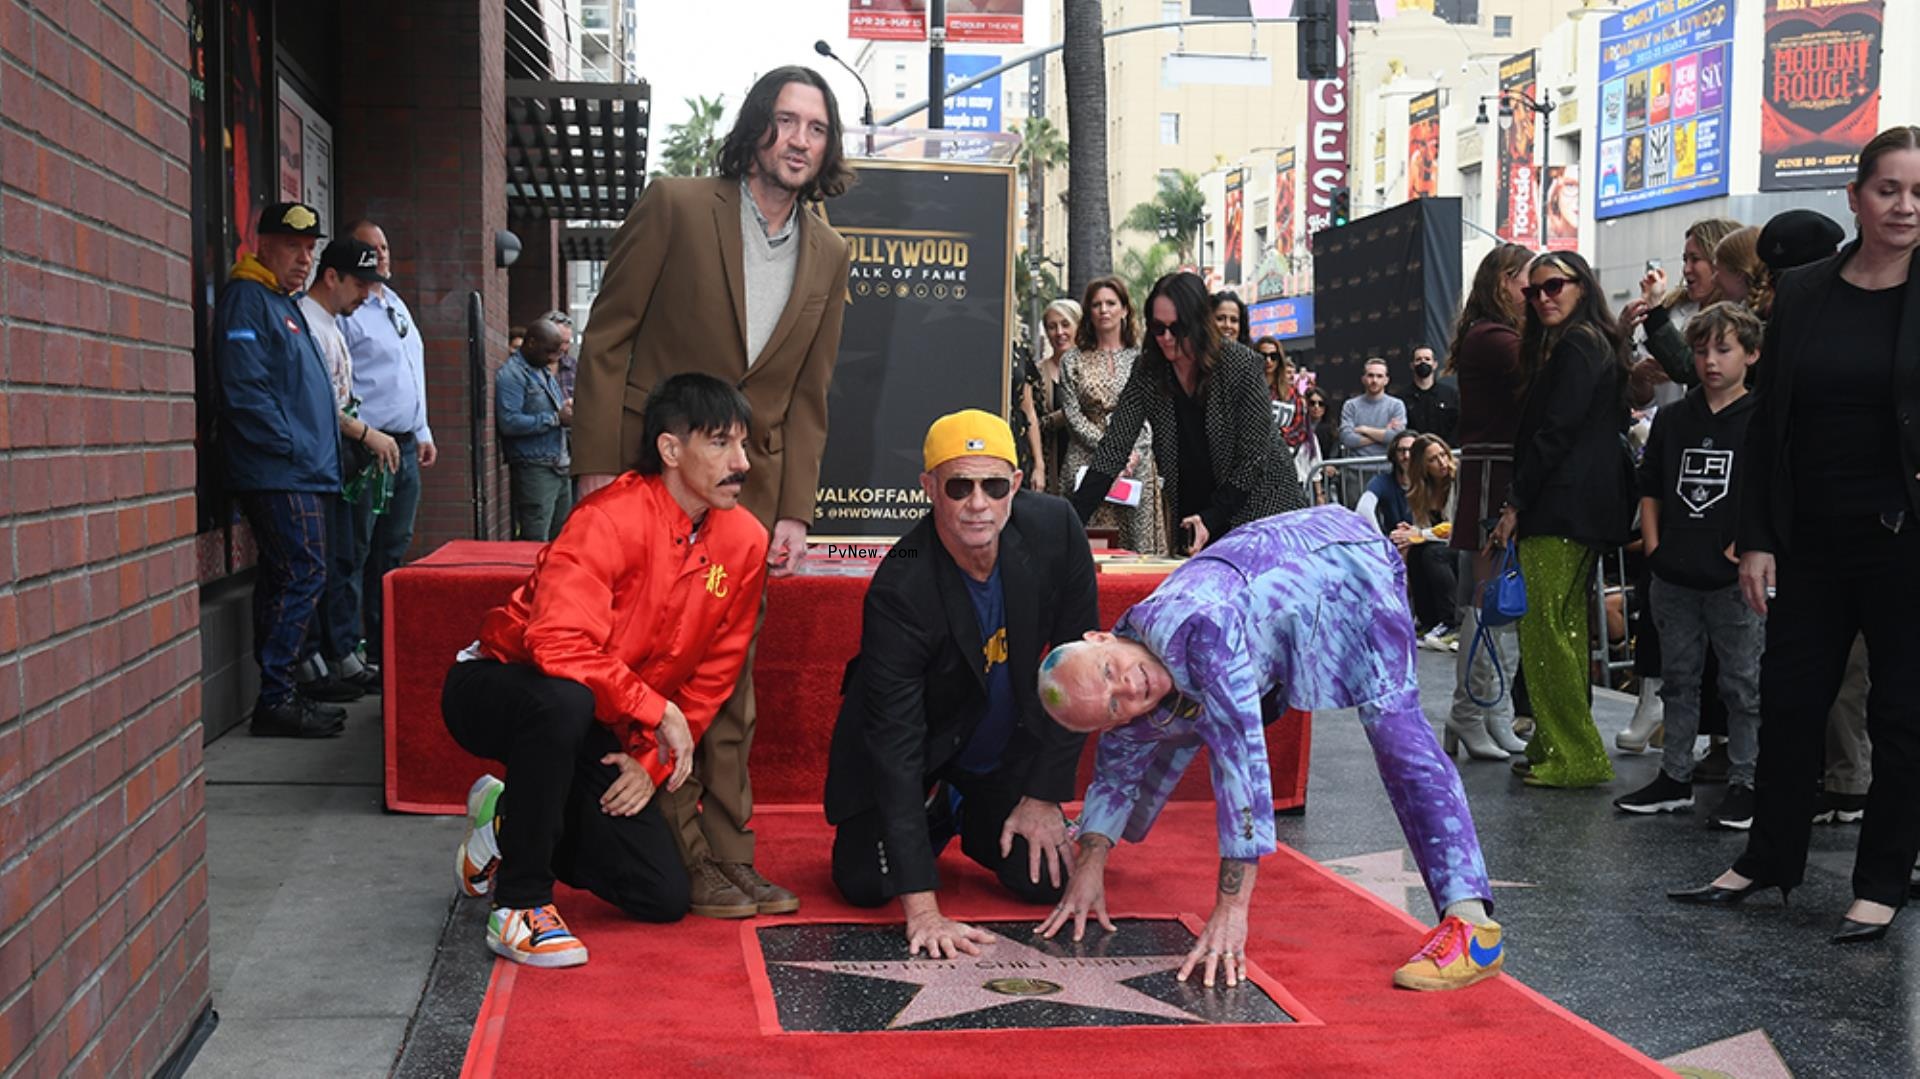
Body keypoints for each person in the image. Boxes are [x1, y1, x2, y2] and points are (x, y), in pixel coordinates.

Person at [571, 66, 855, 917]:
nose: (800, 140)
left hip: (745, 499)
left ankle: (730, 855)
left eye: (816, 127)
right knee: (631, 668)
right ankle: (670, 852)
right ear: (756, 129)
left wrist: (795, 509)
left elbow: (809, 393)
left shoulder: (831, 253)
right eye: (786, 122)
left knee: (728, 684)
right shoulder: (676, 204)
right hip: (642, 480)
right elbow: (607, 336)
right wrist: (595, 467)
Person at [1035, 507, 1505, 992]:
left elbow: (1242, 769)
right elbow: (1117, 764)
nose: (1129, 688)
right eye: (1112, 706)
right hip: (1277, 584)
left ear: (1101, 636)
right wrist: (1089, 866)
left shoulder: (1203, 631)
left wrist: (1232, 910)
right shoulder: (1133, 673)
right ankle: (1117, 829)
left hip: (1346, 565)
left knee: (1395, 732)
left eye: (1111, 671)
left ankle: (1471, 925)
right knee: (1156, 726)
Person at [1671, 126, 1920, 943]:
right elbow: (1770, 422)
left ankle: (1882, 878)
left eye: (1919, 193)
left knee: (1902, 714)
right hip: (1809, 536)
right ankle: (1769, 859)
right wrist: (1759, 535)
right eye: (1889, 189)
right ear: (1855, 196)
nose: (1906, 207)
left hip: (1904, 539)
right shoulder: (1807, 289)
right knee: (1787, 700)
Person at [442, 374, 770, 965]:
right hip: (498, 684)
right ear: (671, 451)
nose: (740, 462)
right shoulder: (609, 517)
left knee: (660, 894)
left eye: (743, 445)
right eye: (721, 443)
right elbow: (556, 644)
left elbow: (712, 677)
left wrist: (649, 760)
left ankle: (505, 815)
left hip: (599, 715)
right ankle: (519, 905)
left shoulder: (745, 541)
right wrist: (653, 712)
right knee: (562, 702)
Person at [824, 411, 1099, 957]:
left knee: (1041, 880)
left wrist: (1044, 793)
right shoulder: (900, 585)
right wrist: (923, 910)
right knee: (865, 885)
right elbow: (896, 745)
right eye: (959, 486)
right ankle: (936, 812)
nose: (977, 503)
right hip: (918, 746)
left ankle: (967, 814)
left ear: (1015, 486)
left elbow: (1082, 671)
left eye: (993, 485)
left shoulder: (1056, 531)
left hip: (998, 749)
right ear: (929, 488)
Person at [1614, 303, 1764, 828]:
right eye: (1701, 351)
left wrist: (1746, 546)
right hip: (1674, 572)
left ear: (1752, 354)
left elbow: (1772, 491)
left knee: (1743, 684)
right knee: (1677, 681)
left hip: (1735, 579)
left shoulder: (1762, 417)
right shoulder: (1675, 418)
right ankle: (1674, 775)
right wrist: (1654, 548)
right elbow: (1651, 483)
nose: (1710, 362)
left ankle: (1747, 782)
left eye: (1724, 350)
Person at [1490, 251, 1634, 790]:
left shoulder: (1578, 343)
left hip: (1562, 505)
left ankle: (1574, 754)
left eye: (1555, 286)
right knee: (1563, 629)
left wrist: (1514, 503)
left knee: (1549, 632)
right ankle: (1557, 744)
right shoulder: (1589, 342)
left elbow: (1556, 432)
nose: (1544, 297)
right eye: (1534, 291)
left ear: (1582, 287)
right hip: (1576, 505)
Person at [212, 202, 348, 738]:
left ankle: (281, 693)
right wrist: (292, 447)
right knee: (305, 572)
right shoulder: (248, 298)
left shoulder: (279, 302)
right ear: (262, 243)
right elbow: (244, 392)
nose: (304, 259)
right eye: (293, 246)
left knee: (285, 576)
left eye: (311, 249)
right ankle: (278, 696)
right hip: (279, 471)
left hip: (300, 469)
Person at [1068, 272, 1309, 557]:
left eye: (1177, 328)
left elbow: (1254, 458)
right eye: (1158, 328)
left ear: (1198, 324)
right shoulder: (1149, 370)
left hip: (1261, 505)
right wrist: (1070, 521)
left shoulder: (1240, 364)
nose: (1167, 338)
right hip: (1194, 506)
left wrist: (1213, 515)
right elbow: (1114, 447)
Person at [297, 238, 400, 703]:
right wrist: (367, 434)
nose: (366, 294)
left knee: (343, 558)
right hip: (321, 456)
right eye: (359, 283)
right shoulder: (306, 322)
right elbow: (320, 404)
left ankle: (340, 654)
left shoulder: (334, 323)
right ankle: (321, 661)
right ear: (332, 276)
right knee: (327, 563)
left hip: (340, 458)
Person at [1446, 243, 1533, 760]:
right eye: (1529, 280)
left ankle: (1488, 712)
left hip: (1502, 471)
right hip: (1492, 475)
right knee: (1489, 601)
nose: (1537, 291)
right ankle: (1470, 713)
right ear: (1505, 280)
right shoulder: (1492, 338)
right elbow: (1547, 369)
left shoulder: (1491, 335)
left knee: (1502, 605)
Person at [340, 219, 438, 676]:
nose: (381, 254)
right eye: (371, 248)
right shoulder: (349, 310)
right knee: (357, 550)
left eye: (384, 246)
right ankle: (349, 651)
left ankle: (382, 650)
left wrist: (423, 430)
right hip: (366, 446)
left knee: (392, 552)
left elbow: (410, 370)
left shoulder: (394, 304)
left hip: (404, 444)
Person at [1058, 277, 1167, 555]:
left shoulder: (1142, 359)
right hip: (1085, 458)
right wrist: (1110, 450)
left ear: (1125, 309)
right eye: (1096, 305)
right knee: (1087, 540)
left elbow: (1153, 415)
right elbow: (1072, 416)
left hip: (1136, 459)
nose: (1103, 310)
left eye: (1110, 303)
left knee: (1136, 547)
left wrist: (1132, 453)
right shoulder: (1073, 359)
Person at [496, 318, 574, 542]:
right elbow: (509, 422)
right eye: (549, 351)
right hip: (535, 469)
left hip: (558, 466)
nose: (553, 358)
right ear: (530, 343)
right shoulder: (512, 375)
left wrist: (565, 410)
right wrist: (555, 418)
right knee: (535, 541)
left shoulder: (542, 370)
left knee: (561, 540)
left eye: (557, 352)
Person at [1396, 434, 1461, 654]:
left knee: (1433, 553)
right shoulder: (1420, 492)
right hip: (1441, 546)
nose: (1442, 462)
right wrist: (1410, 537)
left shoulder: (1457, 480)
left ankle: (1453, 622)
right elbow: (1420, 532)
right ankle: (1428, 620)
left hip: (1464, 546)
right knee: (1417, 552)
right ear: (1422, 467)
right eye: (1433, 459)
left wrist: (1420, 533)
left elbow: (1455, 526)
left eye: (1443, 454)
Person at [1025, 298, 1078, 494]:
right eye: (1052, 326)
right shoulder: (1036, 373)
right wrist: (1066, 415)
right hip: (1051, 467)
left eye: (1065, 324)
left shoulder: (1094, 370)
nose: (1059, 332)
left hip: (1087, 467)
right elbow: (1031, 422)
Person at [1338, 357, 1409, 496]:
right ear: (1363, 378)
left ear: (1386, 380)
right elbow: (1347, 438)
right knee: (1358, 516)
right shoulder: (1350, 405)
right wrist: (1383, 433)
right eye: (1370, 375)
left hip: (1388, 471)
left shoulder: (1396, 405)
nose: (1374, 380)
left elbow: (1396, 437)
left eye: (1379, 376)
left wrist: (1364, 429)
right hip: (1356, 473)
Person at [1355, 429, 1419, 534]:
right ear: (1394, 454)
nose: (1406, 456)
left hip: (1425, 541)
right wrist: (1381, 540)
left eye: (1412, 450)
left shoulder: (1429, 480)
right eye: (1401, 450)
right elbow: (1363, 509)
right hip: (1394, 542)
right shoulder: (1383, 481)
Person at [1401, 345, 1460, 445]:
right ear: (1412, 365)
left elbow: (1458, 425)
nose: (1423, 362)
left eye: (1427, 359)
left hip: (1445, 452)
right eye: (1418, 359)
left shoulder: (1450, 395)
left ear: (1435, 364)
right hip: (1415, 455)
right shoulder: (1402, 398)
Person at [544, 310, 579, 402]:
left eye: (567, 342)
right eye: (559, 341)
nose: (563, 348)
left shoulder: (574, 367)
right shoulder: (525, 368)